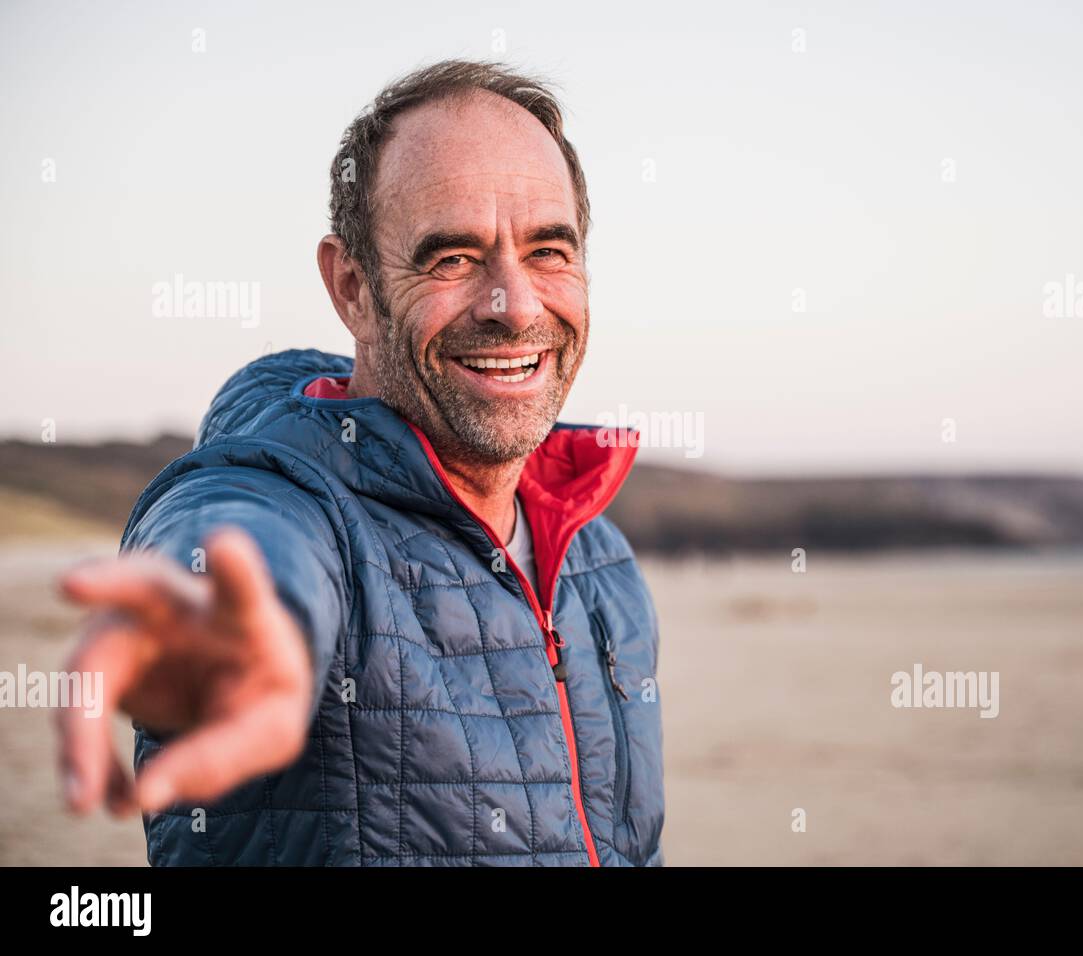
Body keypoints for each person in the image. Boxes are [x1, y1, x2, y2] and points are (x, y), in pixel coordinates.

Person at [57, 60, 665, 867]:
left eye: (549, 250)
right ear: (352, 286)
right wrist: (231, 638)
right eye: (451, 258)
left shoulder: (600, 558)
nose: (515, 305)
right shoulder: (290, 496)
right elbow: (244, 544)